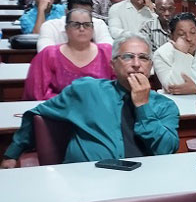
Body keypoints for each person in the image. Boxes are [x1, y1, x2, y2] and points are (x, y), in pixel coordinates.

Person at [0, 32, 180, 168]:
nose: (136, 63)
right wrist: (12, 154)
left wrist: (143, 106)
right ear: (113, 64)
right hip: (86, 181)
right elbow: (36, 113)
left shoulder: (165, 105)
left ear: (151, 66)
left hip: (145, 183)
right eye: (127, 57)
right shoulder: (86, 90)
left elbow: (166, 150)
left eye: (143, 58)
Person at [24, 9, 114, 100]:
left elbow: (118, 88)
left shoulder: (107, 52)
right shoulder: (49, 55)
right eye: (76, 25)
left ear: (92, 29)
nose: (82, 29)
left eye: (87, 25)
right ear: (66, 29)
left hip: (102, 107)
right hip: (59, 109)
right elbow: (38, 93)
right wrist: (71, 103)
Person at [38, 0, 113, 52]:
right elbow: (45, 53)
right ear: (67, 12)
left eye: (87, 13)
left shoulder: (98, 24)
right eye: (77, 12)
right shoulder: (50, 26)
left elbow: (108, 49)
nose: (82, 16)